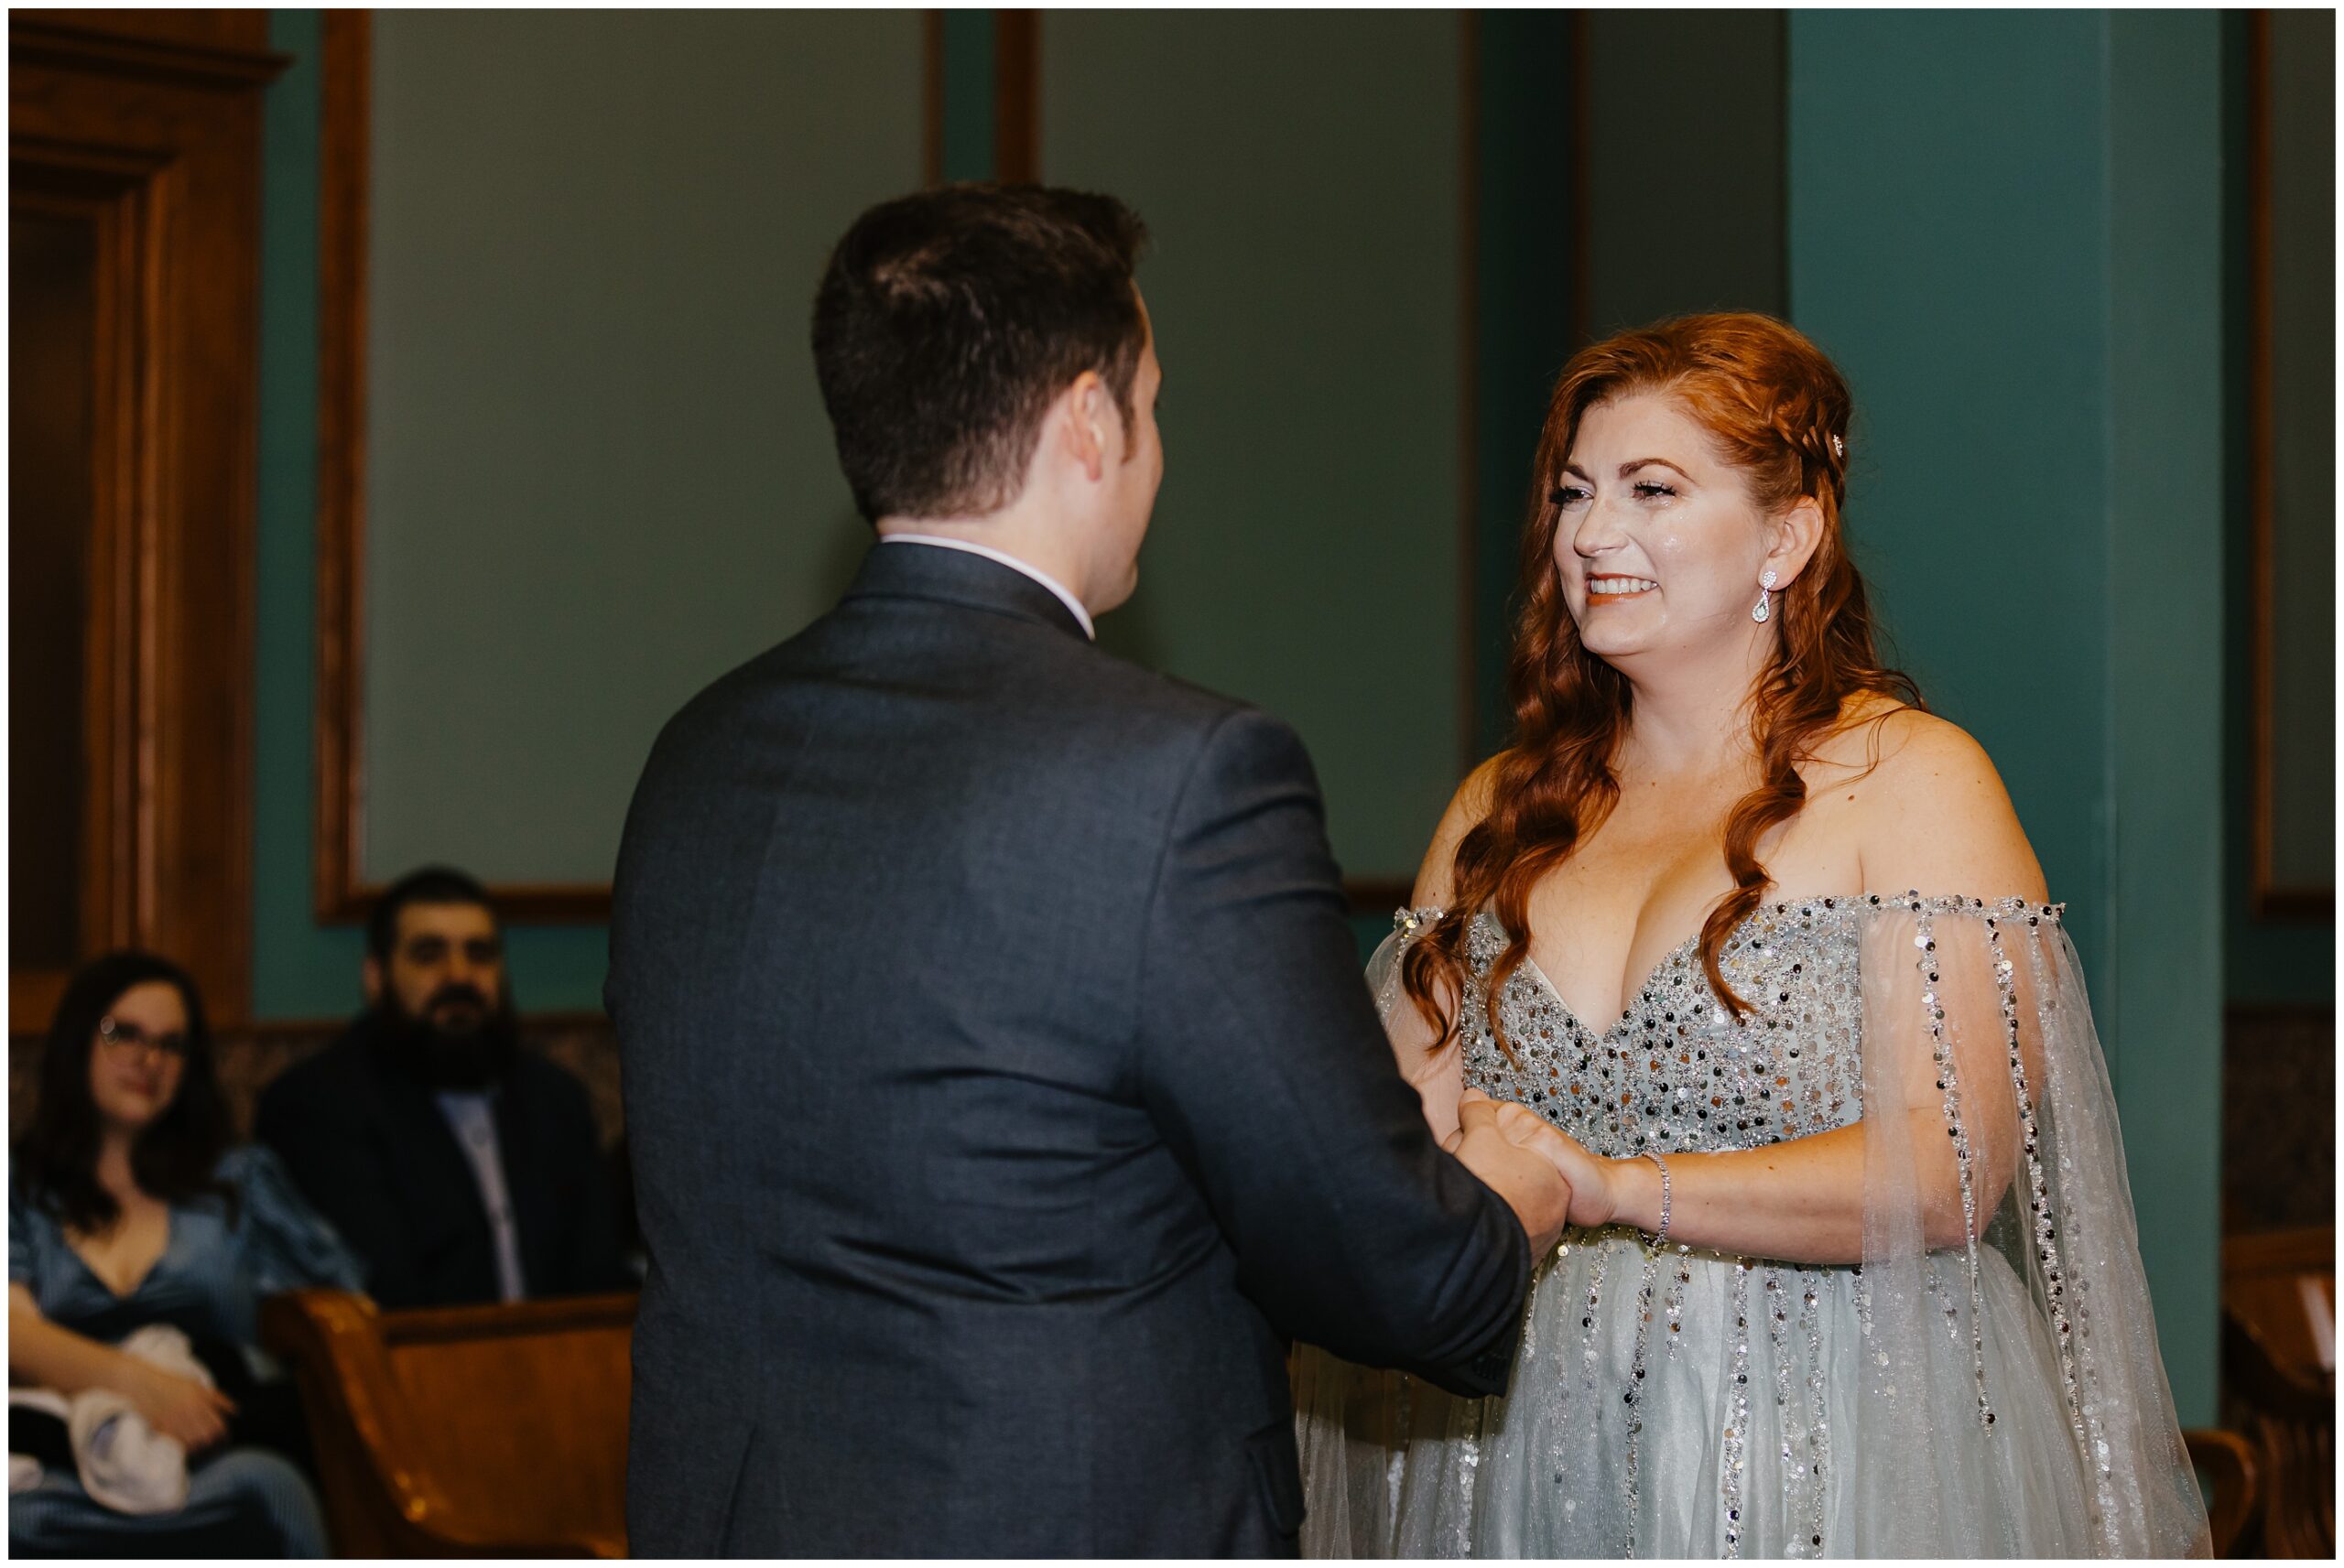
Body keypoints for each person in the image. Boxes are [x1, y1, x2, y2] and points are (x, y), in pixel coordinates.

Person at [608, 182, 1580, 1557]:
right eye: (1154, 403)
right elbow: (1403, 1280)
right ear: (1086, 423)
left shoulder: (699, 747)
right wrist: (1503, 1188)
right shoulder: (1181, 776)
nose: (1156, 451)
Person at [1293, 312, 2211, 1557]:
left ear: (1788, 535)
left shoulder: (1910, 782)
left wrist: (1611, 1187)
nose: (1591, 535)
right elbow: (1385, 1140)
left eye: (1651, 490)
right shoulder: (1499, 808)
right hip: (1518, 1436)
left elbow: (1949, 1172)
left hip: (1832, 1423)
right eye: (1573, 494)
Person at [10, 951, 363, 1557]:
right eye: (124, 1033)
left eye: (172, 1044)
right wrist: (141, 1386)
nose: (149, 1059)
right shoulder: (21, 1185)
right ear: (77, 1040)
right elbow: (11, 1334)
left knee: (274, 1491)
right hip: (66, 1455)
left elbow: (345, 1309)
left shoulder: (239, 1181)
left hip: (219, 1451)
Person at [255, 866, 628, 1310]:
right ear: (376, 978)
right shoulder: (320, 1105)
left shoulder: (555, 1097)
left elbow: (600, 1278)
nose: (459, 976)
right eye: (429, 954)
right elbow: (386, 1294)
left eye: (480, 953)